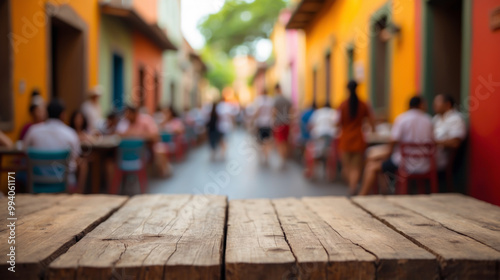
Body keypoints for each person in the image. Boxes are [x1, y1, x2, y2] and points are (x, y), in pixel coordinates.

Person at [358, 96, 433, 195]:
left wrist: (389, 152)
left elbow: (394, 139)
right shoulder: (429, 120)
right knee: (377, 159)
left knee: (371, 166)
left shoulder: (402, 119)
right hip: (425, 163)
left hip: (404, 163)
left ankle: (362, 195)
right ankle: (384, 189)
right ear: (420, 105)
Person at [24, 99, 87, 193]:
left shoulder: (33, 131)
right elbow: (75, 158)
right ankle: (78, 194)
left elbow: (25, 151)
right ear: (62, 114)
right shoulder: (70, 133)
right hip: (64, 184)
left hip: (37, 183)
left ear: (47, 113)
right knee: (83, 164)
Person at [338, 80, 375, 194]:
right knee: (356, 167)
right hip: (358, 139)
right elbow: (371, 121)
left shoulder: (343, 105)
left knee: (347, 166)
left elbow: (338, 122)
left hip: (345, 139)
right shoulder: (363, 104)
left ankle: (352, 185)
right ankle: (353, 187)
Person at [116, 105, 170, 177]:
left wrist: (136, 134)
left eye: (128, 114)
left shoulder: (146, 119)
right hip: (130, 152)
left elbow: (155, 135)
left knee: (159, 150)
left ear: (135, 113)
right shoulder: (125, 122)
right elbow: (119, 133)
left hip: (147, 148)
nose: (127, 117)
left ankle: (163, 171)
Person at [432, 94, 467, 171]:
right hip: (431, 156)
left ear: (447, 104)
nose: (434, 106)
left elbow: (455, 142)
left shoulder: (456, 118)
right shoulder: (436, 118)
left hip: (441, 159)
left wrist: (434, 142)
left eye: (437, 103)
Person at [272, 84, 293, 168]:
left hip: (278, 124)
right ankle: (285, 157)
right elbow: (291, 111)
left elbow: (274, 112)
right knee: (286, 140)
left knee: (280, 142)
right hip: (287, 123)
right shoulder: (287, 99)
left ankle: (282, 158)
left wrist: (274, 120)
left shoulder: (275, 100)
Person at [252, 89, 274, 164]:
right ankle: (266, 155)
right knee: (267, 140)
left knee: (260, 141)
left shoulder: (259, 100)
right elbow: (273, 112)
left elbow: (257, 112)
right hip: (268, 123)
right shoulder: (270, 100)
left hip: (260, 123)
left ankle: (262, 153)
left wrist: (253, 121)